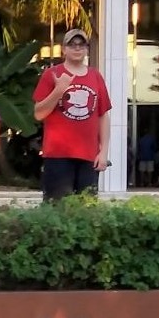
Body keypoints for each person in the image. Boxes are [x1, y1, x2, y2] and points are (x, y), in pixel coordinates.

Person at [33, 28, 113, 201]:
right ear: (64, 49)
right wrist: (59, 91)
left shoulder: (95, 76)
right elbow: (39, 114)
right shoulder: (51, 74)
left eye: (81, 45)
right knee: (58, 208)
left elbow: (103, 115)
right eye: (72, 45)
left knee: (86, 208)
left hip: (88, 156)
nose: (77, 49)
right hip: (58, 154)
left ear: (86, 49)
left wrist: (104, 151)